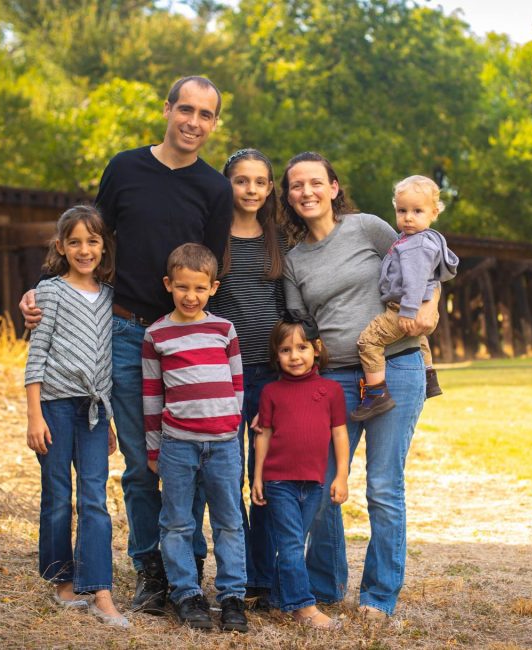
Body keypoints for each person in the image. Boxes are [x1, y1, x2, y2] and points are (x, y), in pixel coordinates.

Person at [20, 76, 232, 614]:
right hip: (123, 332)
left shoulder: (214, 189)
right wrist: (41, 290)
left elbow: (212, 267)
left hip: (184, 339)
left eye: (205, 115)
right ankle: (151, 572)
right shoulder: (125, 167)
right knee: (142, 464)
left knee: (190, 461)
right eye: (185, 109)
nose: (193, 122)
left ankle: (190, 568)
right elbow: (88, 239)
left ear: (213, 123)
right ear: (167, 109)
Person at [280, 152, 438, 621]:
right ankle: (325, 586)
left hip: (396, 367)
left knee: (384, 487)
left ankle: (379, 597)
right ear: (288, 197)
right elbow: (301, 325)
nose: (306, 192)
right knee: (325, 485)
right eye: (295, 186)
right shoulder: (293, 261)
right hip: (332, 381)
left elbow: (424, 256)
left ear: (332, 187)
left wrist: (431, 306)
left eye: (315, 182)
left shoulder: (367, 227)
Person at [24, 205, 129, 628]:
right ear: (61, 247)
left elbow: (104, 361)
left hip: (94, 412)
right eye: (75, 242)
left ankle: (100, 589)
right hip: (53, 406)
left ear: (104, 247)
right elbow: (36, 355)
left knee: (94, 498)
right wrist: (34, 416)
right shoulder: (48, 292)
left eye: (92, 241)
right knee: (56, 494)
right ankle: (60, 579)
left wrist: (110, 422)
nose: (84, 250)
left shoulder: (110, 298)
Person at [142, 243, 248, 632]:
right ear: (169, 284)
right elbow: (152, 396)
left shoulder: (224, 330)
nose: (191, 296)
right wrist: (154, 448)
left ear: (213, 288)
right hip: (177, 444)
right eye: (183, 287)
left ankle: (232, 596)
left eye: (200, 289)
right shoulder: (157, 334)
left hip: (222, 445)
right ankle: (186, 594)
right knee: (176, 524)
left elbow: (237, 384)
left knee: (229, 522)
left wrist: (231, 428)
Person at [206, 148, 287, 602]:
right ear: (227, 185)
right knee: (228, 475)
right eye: (241, 180)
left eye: (260, 181)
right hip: (224, 376)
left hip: (272, 377)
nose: (251, 189)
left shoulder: (279, 240)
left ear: (270, 188)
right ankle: (233, 578)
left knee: (267, 476)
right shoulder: (213, 240)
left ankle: (262, 577)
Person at [251, 314, 349, 630]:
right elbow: (262, 433)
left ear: (316, 349)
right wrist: (257, 477)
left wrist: (342, 475)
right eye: (285, 350)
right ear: (275, 356)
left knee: (296, 541)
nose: (294, 356)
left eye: (302, 348)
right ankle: (304, 607)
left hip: (315, 483)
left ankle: (279, 598)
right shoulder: (271, 392)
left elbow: (339, 434)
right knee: (291, 544)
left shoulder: (331, 390)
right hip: (279, 482)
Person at [350, 175, 459, 421]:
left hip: (402, 307)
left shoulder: (415, 246)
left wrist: (408, 311)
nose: (408, 217)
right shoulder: (424, 239)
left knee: (369, 342)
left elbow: (416, 281)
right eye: (402, 210)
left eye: (417, 211)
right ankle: (429, 377)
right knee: (419, 339)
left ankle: (376, 393)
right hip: (410, 305)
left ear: (434, 213)